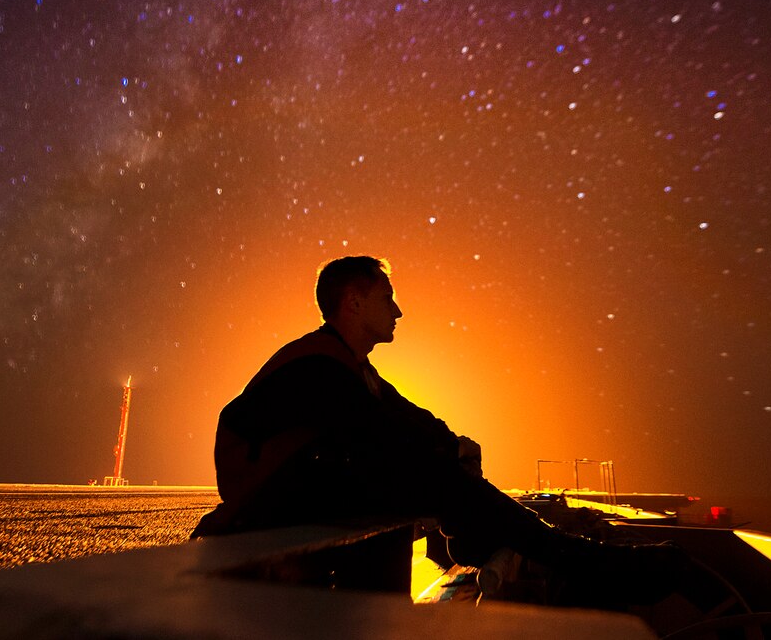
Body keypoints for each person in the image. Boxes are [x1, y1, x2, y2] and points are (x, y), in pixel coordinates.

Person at [192, 256, 683, 605]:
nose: (399, 311)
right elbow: (375, 435)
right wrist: (448, 464)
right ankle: (573, 559)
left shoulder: (352, 368)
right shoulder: (316, 366)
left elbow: (408, 417)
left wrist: (453, 446)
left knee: (428, 464)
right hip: (261, 500)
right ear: (354, 303)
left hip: (301, 485)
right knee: (422, 468)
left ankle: (502, 543)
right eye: (388, 298)